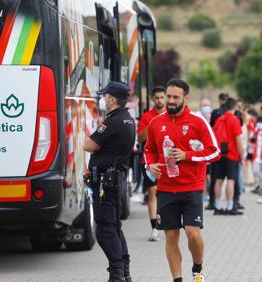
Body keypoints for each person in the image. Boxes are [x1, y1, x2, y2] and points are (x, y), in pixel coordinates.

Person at [144, 79, 220, 282]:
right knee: (170, 235)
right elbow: (148, 150)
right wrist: (149, 165)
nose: (170, 100)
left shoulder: (198, 122)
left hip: (192, 187)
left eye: (175, 97)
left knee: (192, 232)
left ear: (186, 98)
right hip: (166, 188)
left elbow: (215, 152)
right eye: (168, 96)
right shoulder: (156, 122)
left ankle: (197, 268)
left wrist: (187, 156)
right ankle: (177, 279)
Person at [83, 81, 135, 282]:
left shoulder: (113, 122)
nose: (103, 99)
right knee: (114, 226)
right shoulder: (127, 119)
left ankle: (116, 274)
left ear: (112, 99)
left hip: (107, 182)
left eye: (105, 96)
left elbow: (88, 144)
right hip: (114, 180)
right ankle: (125, 272)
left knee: (105, 229)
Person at [137, 86, 166, 241]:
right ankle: (154, 227)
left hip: (168, 161)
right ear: (152, 99)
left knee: (169, 192)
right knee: (153, 192)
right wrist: (153, 123)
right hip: (150, 161)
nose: (160, 100)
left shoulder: (172, 115)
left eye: (162, 97)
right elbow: (140, 137)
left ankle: (170, 224)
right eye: (157, 98)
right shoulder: (147, 116)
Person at [213, 98, 245, 215]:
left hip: (220, 154)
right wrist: (242, 153)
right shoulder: (235, 120)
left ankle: (216, 206)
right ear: (235, 107)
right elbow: (238, 139)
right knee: (230, 181)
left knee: (219, 180)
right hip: (232, 154)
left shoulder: (219, 119)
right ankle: (229, 206)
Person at [206, 92, 229, 210]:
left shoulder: (215, 112)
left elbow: (211, 129)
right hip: (230, 149)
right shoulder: (232, 113)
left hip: (217, 148)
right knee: (232, 178)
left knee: (215, 176)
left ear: (220, 100)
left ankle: (212, 201)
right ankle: (233, 202)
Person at [252, 116, 262, 195]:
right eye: (259, 122)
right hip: (256, 156)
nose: (260, 124)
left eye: (261, 122)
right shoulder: (256, 131)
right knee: (256, 171)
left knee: (261, 171)